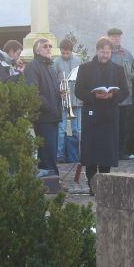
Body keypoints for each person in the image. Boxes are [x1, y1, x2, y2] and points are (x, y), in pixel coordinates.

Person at [75, 37, 129, 195]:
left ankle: (104, 186)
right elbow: (78, 90)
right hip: (91, 114)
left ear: (111, 52)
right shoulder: (85, 68)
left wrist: (112, 95)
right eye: (102, 52)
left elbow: (125, 91)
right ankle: (92, 186)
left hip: (109, 115)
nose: (105, 55)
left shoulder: (118, 69)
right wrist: (94, 96)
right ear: (97, 51)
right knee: (91, 153)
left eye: (107, 52)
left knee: (106, 153)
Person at [24, 38, 62, 177]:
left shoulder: (50, 67)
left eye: (50, 46)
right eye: (45, 46)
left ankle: (52, 180)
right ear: (37, 50)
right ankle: (52, 179)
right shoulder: (32, 67)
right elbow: (33, 91)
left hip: (53, 115)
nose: (49, 48)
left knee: (51, 151)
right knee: (47, 151)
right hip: (43, 116)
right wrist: (49, 106)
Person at [107, 28, 134, 160]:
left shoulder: (127, 54)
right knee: (110, 125)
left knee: (123, 126)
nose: (116, 39)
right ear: (109, 38)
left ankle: (121, 151)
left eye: (118, 36)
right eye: (113, 37)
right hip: (109, 96)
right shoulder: (106, 53)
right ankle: (111, 150)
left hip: (125, 96)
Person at [53, 38, 83, 163]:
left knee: (78, 129)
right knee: (61, 129)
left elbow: (82, 78)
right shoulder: (56, 62)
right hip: (63, 99)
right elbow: (54, 80)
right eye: (63, 53)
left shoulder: (78, 60)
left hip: (76, 99)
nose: (65, 55)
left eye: (68, 53)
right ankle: (59, 155)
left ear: (71, 51)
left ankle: (77, 154)